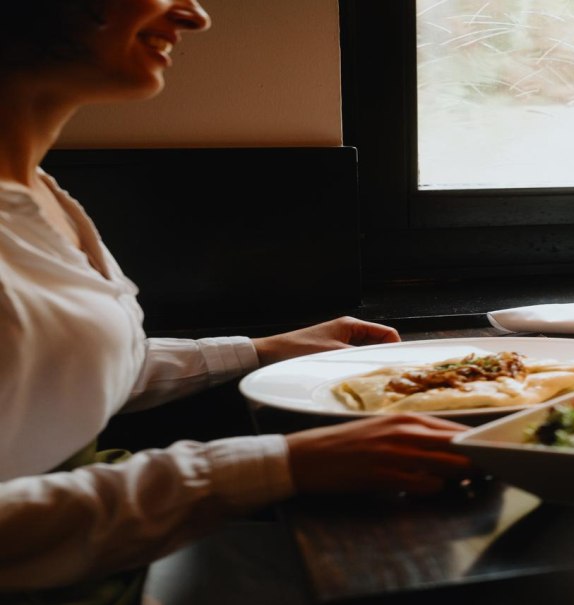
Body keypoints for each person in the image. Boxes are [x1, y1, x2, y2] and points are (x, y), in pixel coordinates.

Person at [0, 0, 475, 601]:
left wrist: (258, 350)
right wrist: (271, 466)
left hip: (117, 549)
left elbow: (48, 371)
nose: (194, 15)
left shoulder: (37, 192)